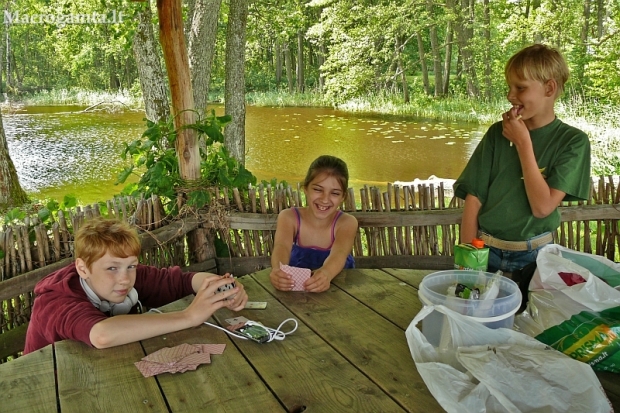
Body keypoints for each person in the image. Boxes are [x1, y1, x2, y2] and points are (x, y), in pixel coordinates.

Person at [453, 43, 591, 274]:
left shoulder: (572, 142)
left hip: (536, 257)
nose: (510, 95)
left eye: (520, 87)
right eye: (509, 87)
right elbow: (474, 197)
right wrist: (468, 260)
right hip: (485, 250)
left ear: (549, 88)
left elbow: (542, 208)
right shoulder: (497, 134)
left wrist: (523, 143)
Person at [24, 217, 248, 354]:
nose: (125, 278)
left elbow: (181, 281)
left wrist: (219, 287)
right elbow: (101, 335)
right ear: (83, 269)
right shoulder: (56, 299)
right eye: (112, 268)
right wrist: (189, 317)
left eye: (131, 266)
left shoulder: (130, 274)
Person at [269, 155, 358, 293]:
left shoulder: (346, 223)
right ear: (305, 188)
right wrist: (278, 271)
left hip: (340, 291)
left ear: (343, 197)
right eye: (318, 189)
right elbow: (282, 247)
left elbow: (339, 254)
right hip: (295, 292)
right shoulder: (289, 217)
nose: (324, 199)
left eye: (334, 193)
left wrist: (326, 274)